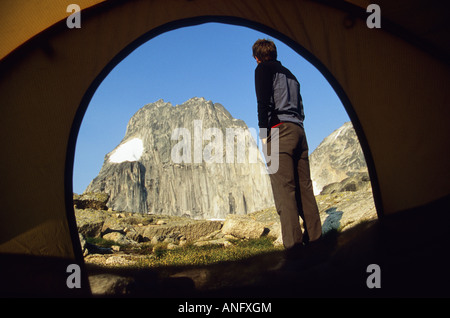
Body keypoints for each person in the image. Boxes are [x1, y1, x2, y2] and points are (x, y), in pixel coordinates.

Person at [253, 39, 322, 257]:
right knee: (305, 190)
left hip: (278, 132)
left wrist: (264, 135)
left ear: (257, 57)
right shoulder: (291, 74)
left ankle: (294, 251)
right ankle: (317, 243)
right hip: (299, 132)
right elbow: (301, 108)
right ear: (274, 53)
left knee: (285, 192)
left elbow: (263, 103)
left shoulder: (262, 69)